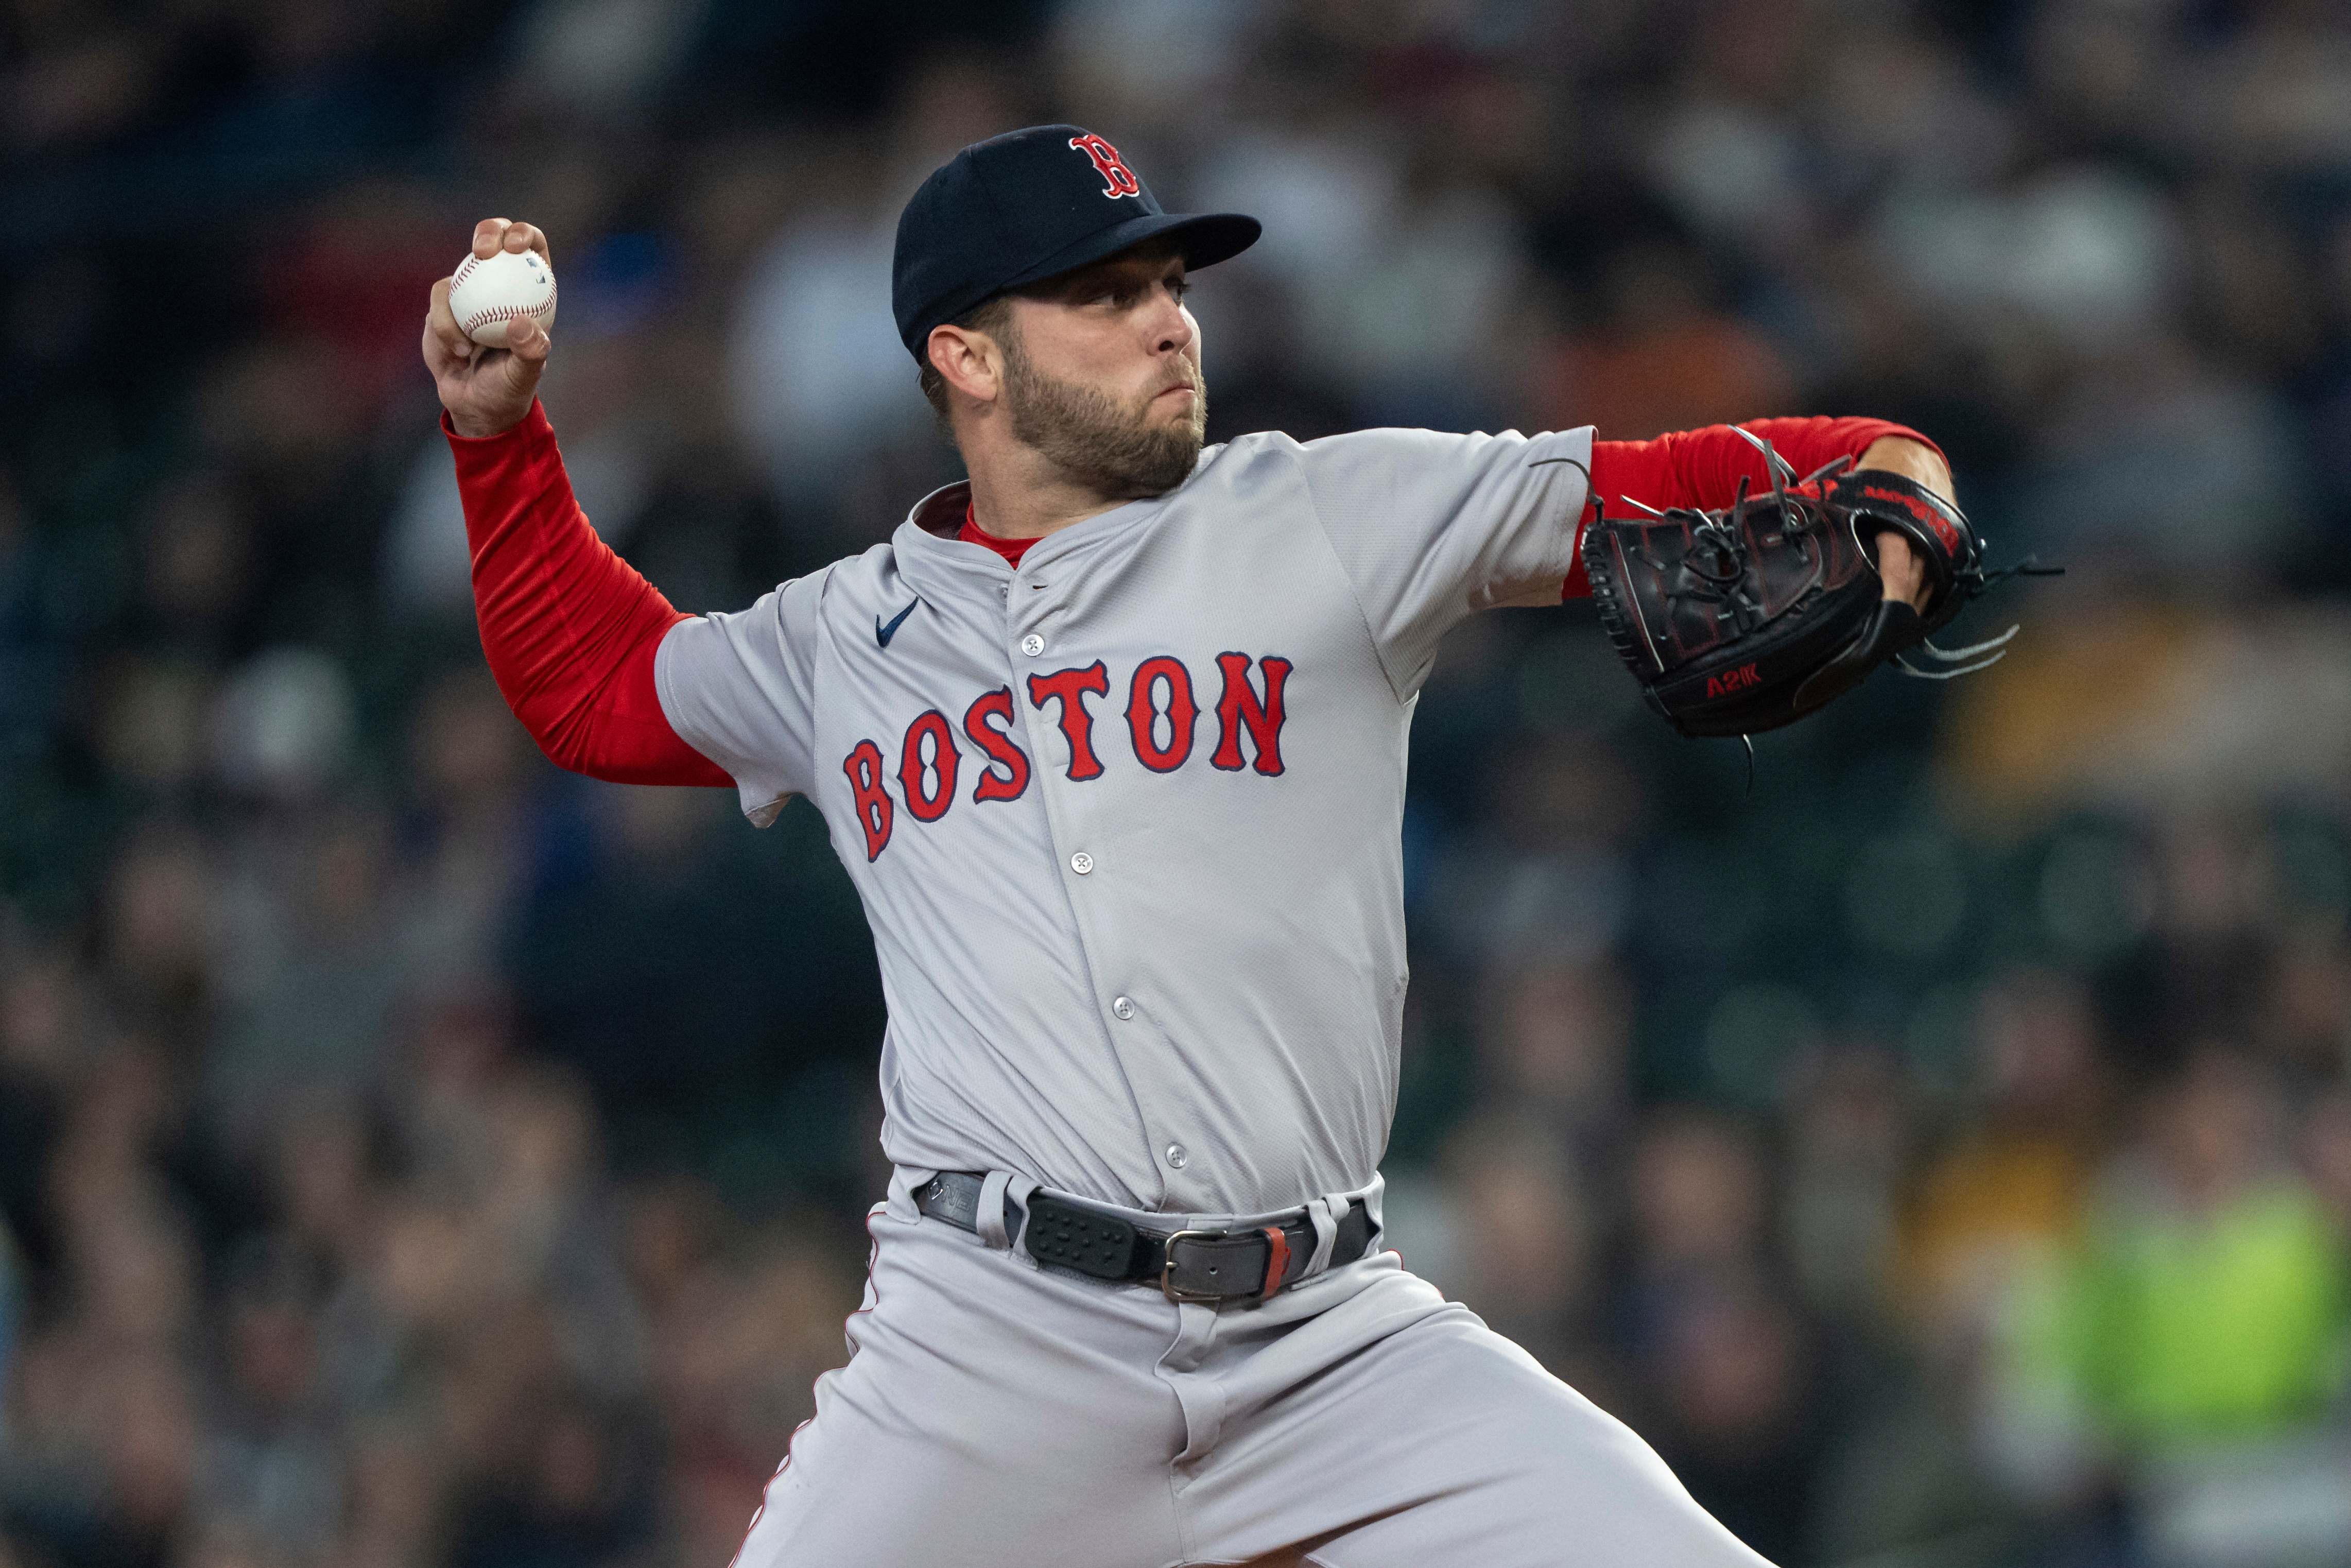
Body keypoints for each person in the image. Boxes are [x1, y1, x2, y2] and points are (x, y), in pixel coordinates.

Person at [422, 125, 1944, 1568]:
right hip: (988, 1348)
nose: (1167, 323)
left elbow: (1710, 474)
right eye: (1103, 295)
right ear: (966, 354)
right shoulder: (841, 639)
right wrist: (499, 446)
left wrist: (1899, 472)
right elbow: (598, 686)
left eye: (1168, 286)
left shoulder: (1332, 513)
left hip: (1333, 1339)